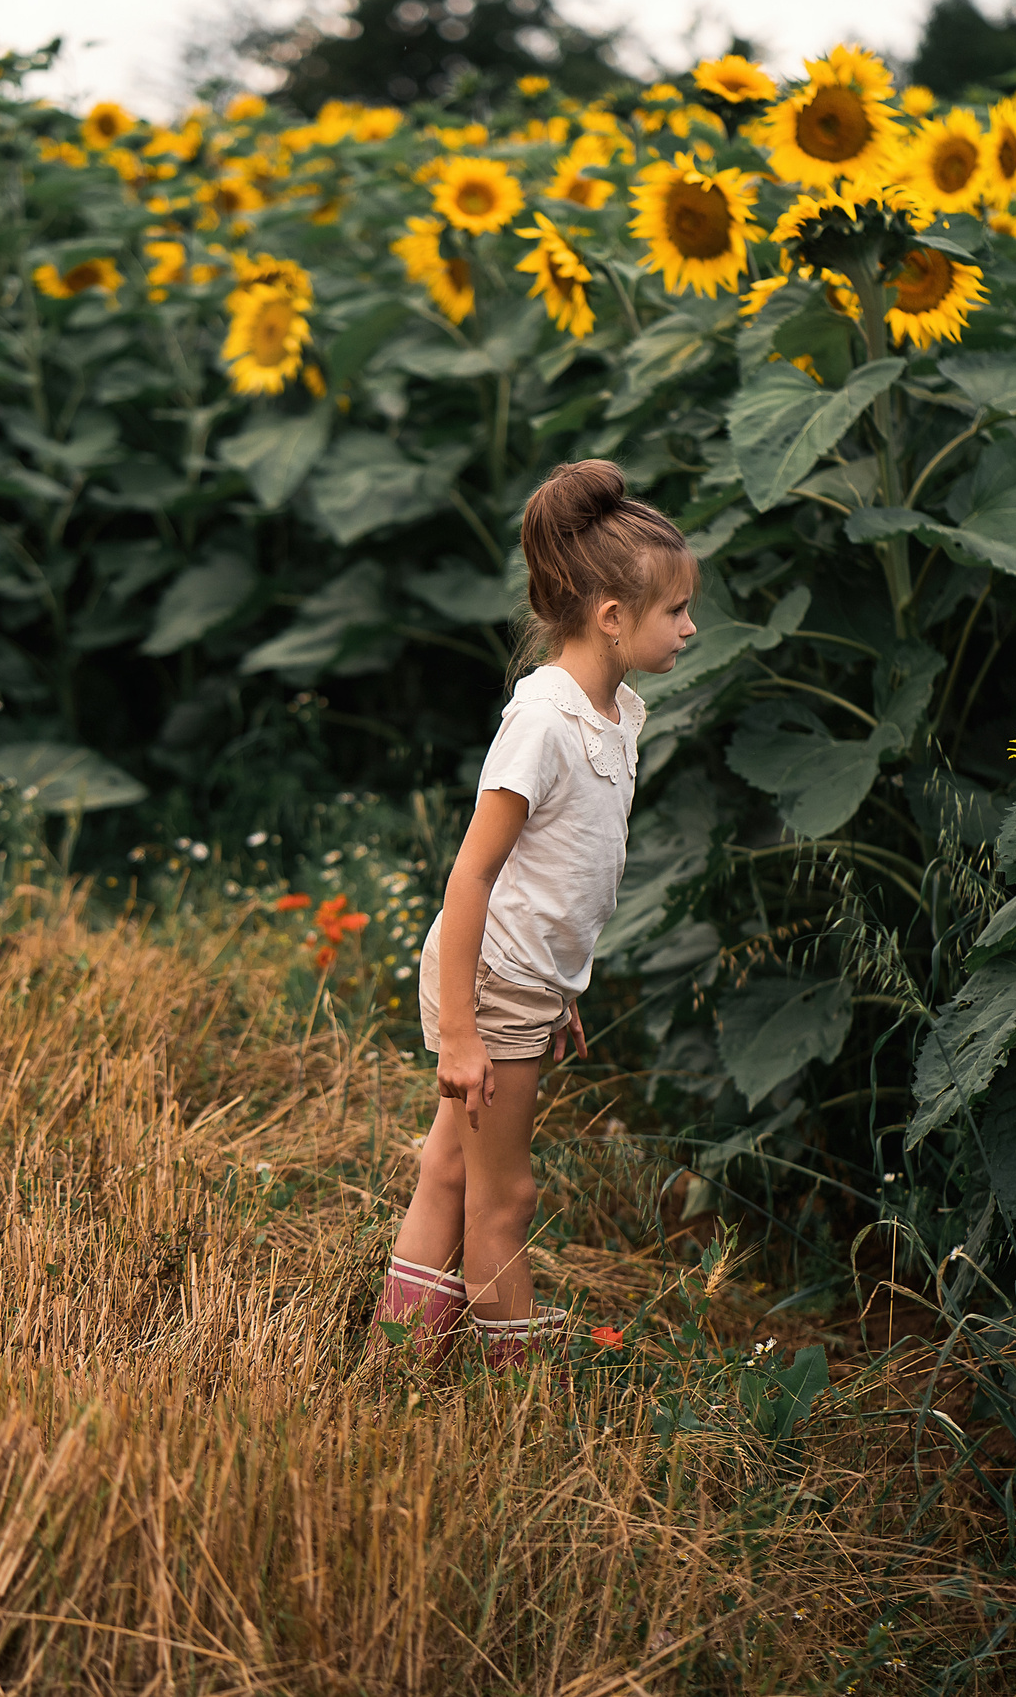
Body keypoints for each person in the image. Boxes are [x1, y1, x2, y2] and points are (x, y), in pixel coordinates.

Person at [369, 459, 698, 1373]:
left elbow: (562, 872)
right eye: (675, 610)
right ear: (611, 617)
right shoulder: (545, 720)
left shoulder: (616, 710)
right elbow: (472, 876)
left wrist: (561, 988)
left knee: (448, 1167)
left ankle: (398, 1360)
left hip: (523, 980)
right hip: (489, 984)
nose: (690, 627)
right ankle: (515, 1392)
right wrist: (465, 1034)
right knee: (504, 1195)